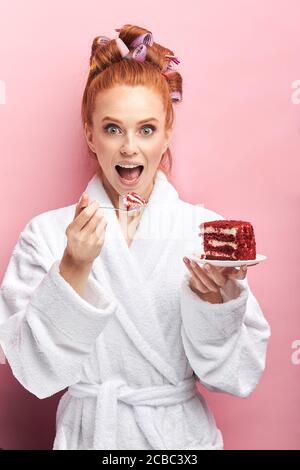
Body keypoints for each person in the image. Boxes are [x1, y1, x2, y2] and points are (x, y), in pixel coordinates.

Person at [0, 24, 271, 450]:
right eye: (112, 129)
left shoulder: (203, 234)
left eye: (146, 129)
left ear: (167, 133)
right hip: (92, 436)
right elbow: (31, 371)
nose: (129, 147)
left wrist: (220, 308)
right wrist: (72, 269)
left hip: (180, 446)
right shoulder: (47, 235)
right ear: (90, 133)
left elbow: (236, 376)